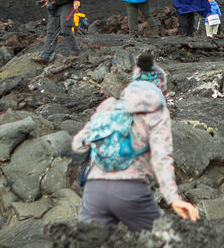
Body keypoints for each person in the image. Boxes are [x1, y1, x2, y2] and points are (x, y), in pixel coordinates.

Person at [73, 74, 200, 231]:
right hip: (130, 189)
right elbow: (161, 162)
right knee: (162, 242)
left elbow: (78, 145)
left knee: (86, 245)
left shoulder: (106, 112)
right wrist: (173, 199)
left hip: (95, 189)